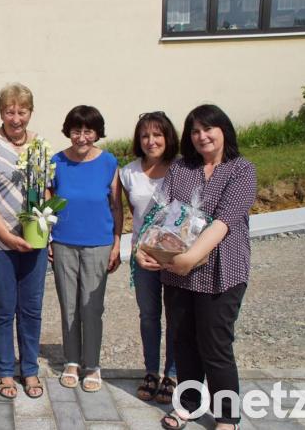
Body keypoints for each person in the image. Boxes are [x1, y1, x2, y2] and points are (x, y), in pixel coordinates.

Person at [135, 104, 256, 430]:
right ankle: (188, 404)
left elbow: (224, 221)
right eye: (195, 131)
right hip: (176, 274)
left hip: (221, 272)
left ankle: (227, 416)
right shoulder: (181, 169)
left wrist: (188, 259)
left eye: (208, 129)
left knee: (215, 345)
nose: (202, 136)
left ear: (223, 130)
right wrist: (143, 250)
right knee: (183, 340)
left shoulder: (241, 170)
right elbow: (158, 214)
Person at [0, 83, 48, 399]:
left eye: (22, 111)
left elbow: (41, 192)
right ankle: (4, 369)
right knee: (3, 308)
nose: (16, 118)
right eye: (9, 111)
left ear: (31, 112)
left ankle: (29, 368)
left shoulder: (39, 146)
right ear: (0, 111)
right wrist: (6, 235)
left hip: (33, 243)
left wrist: (42, 228)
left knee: (31, 308)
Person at [48, 105, 122, 393]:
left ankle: (92, 364)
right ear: (69, 131)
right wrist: (48, 239)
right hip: (64, 242)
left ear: (97, 133)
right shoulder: (56, 161)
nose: (81, 137)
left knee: (91, 308)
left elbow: (116, 205)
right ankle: (72, 361)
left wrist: (117, 241)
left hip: (98, 244)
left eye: (88, 131)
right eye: (76, 130)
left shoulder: (109, 162)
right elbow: (48, 201)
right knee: (68, 305)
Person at [119, 111, 180, 404]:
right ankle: (151, 371)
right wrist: (139, 250)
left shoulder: (182, 168)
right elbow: (131, 216)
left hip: (178, 257)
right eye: (145, 135)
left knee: (177, 316)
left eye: (157, 135)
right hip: (143, 257)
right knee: (149, 316)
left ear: (168, 137)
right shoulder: (128, 172)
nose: (151, 141)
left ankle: (173, 373)